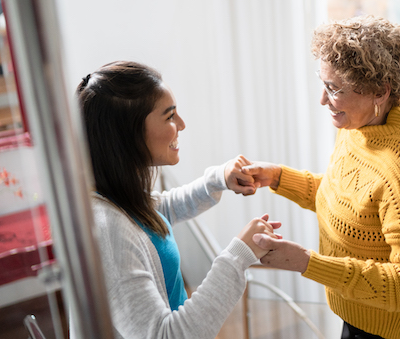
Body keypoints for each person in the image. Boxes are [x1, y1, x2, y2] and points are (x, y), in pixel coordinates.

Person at [231, 16, 400, 339]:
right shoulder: (364, 123)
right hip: (365, 311)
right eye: (323, 84)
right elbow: (349, 200)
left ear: (379, 91)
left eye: (334, 89)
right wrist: (277, 177)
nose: (323, 100)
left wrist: (307, 263)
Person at [76, 60, 281, 339]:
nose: (182, 125)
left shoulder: (117, 198)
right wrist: (237, 256)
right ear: (129, 134)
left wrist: (220, 177)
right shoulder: (109, 232)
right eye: (170, 116)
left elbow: (162, 209)